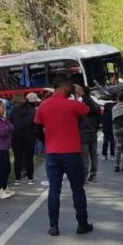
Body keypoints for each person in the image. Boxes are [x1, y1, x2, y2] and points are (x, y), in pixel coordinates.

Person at [34, 75, 92, 236]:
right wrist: (83, 95)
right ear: (65, 85)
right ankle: (82, 223)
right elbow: (92, 111)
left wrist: (47, 142)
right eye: (70, 86)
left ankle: (54, 226)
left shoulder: (43, 106)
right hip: (72, 153)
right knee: (77, 189)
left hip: (52, 153)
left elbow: (37, 128)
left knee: (54, 189)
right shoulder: (72, 105)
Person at [11, 92, 40, 184]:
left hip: (16, 135)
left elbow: (9, 120)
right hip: (29, 136)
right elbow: (36, 124)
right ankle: (30, 178)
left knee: (17, 157)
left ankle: (17, 179)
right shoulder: (33, 111)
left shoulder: (14, 110)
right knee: (29, 158)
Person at [79, 87, 102, 183]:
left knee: (85, 156)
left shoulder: (80, 106)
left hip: (83, 133)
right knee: (94, 155)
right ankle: (94, 175)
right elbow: (99, 119)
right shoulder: (96, 106)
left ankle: (84, 177)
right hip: (93, 133)